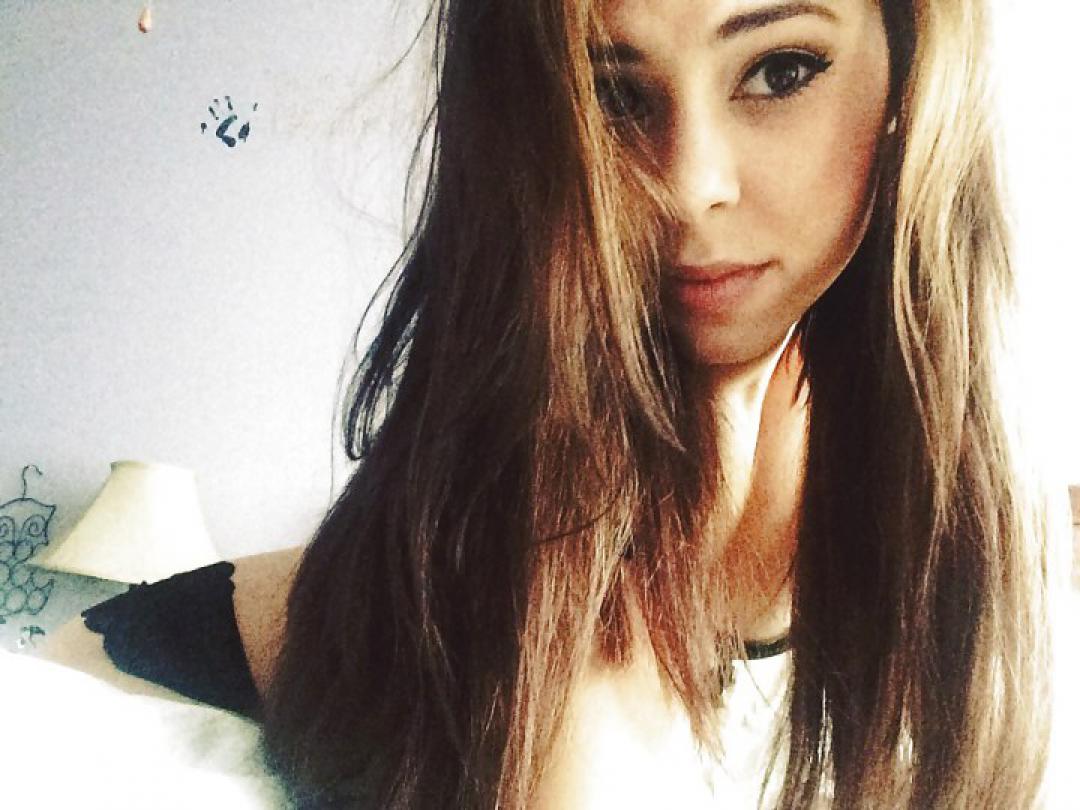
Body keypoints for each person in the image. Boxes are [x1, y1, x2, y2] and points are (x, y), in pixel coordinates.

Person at [40, 0, 1066, 807]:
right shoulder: (525, 511)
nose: (690, 183)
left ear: (910, 78)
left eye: (781, 70)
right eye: (611, 95)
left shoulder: (985, 561)